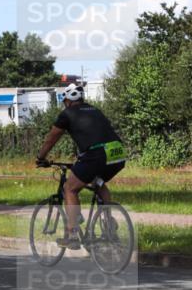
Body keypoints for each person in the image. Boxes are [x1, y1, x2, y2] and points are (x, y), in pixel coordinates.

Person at [36, 83, 126, 249]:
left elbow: (51, 138)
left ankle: (72, 235)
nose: (65, 105)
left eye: (64, 102)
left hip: (96, 155)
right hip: (117, 154)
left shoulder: (67, 114)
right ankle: (108, 225)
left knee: (69, 188)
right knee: (98, 182)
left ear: (68, 100)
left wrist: (41, 157)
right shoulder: (95, 110)